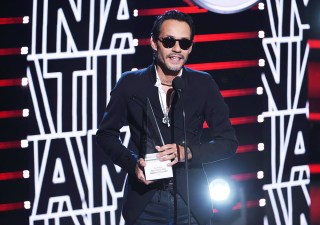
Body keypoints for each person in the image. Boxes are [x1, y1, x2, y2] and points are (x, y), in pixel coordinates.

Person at [96, 9, 238, 225]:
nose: (177, 49)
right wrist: (133, 165)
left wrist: (187, 152)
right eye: (169, 41)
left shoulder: (203, 84)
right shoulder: (130, 84)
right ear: (154, 43)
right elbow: (106, 134)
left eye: (185, 43)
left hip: (191, 203)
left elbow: (228, 142)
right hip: (145, 203)